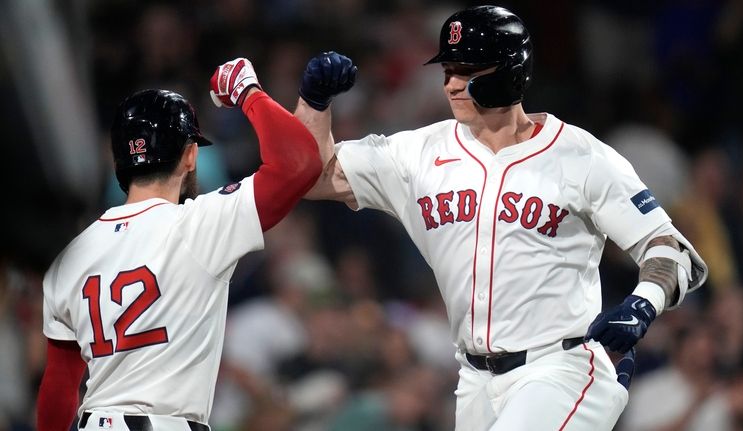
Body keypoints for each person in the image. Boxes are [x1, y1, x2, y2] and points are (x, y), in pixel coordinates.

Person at [293, 5, 708, 431]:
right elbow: (312, 178)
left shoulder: (580, 156)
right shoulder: (417, 154)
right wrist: (313, 104)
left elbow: (670, 247)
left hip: (559, 367)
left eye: (466, 70)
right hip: (473, 380)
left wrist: (643, 304)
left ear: (510, 71)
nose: (451, 84)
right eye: (447, 70)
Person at [36, 57, 321, 431]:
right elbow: (300, 162)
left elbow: (58, 389)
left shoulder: (69, 257)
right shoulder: (199, 224)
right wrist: (247, 91)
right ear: (190, 156)